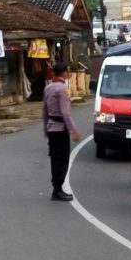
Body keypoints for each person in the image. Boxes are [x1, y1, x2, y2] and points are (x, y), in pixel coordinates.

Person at [43, 63, 81, 201]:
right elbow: (65, 112)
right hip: (60, 129)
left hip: (52, 128)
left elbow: (45, 110)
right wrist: (73, 130)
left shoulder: (48, 88)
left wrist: (45, 127)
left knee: (54, 159)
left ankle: (56, 188)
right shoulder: (63, 89)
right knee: (63, 160)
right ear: (65, 73)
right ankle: (58, 190)